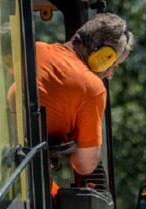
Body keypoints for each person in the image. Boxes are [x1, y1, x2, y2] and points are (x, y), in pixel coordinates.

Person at [34, 13, 134, 175]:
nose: (110, 75)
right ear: (102, 57)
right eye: (114, 65)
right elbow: (84, 165)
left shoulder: (36, 50)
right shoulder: (92, 88)